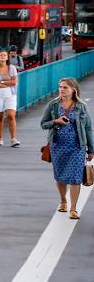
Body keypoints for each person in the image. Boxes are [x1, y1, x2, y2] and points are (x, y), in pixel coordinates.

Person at [41, 78, 93, 220]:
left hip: (77, 147)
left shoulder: (81, 106)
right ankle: (63, 200)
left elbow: (88, 128)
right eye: (60, 87)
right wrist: (55, 121)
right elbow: (43, 124)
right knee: (60, 176)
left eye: (65, 87)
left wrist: (91, 150)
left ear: (73, 90)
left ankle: (74, 208)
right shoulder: (53, 105)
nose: (62, 89)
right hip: (57, 146)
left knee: (76, 178)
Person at [0, 50, 20, 147]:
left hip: (10, 94)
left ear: (7, 57)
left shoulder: (12, 68)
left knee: (11, 115)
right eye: (1, 55)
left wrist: (1, 82)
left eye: (4, 55)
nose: (2, 56)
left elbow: (14, 82)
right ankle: (0, 138)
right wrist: (7, 82)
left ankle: (13, 139)